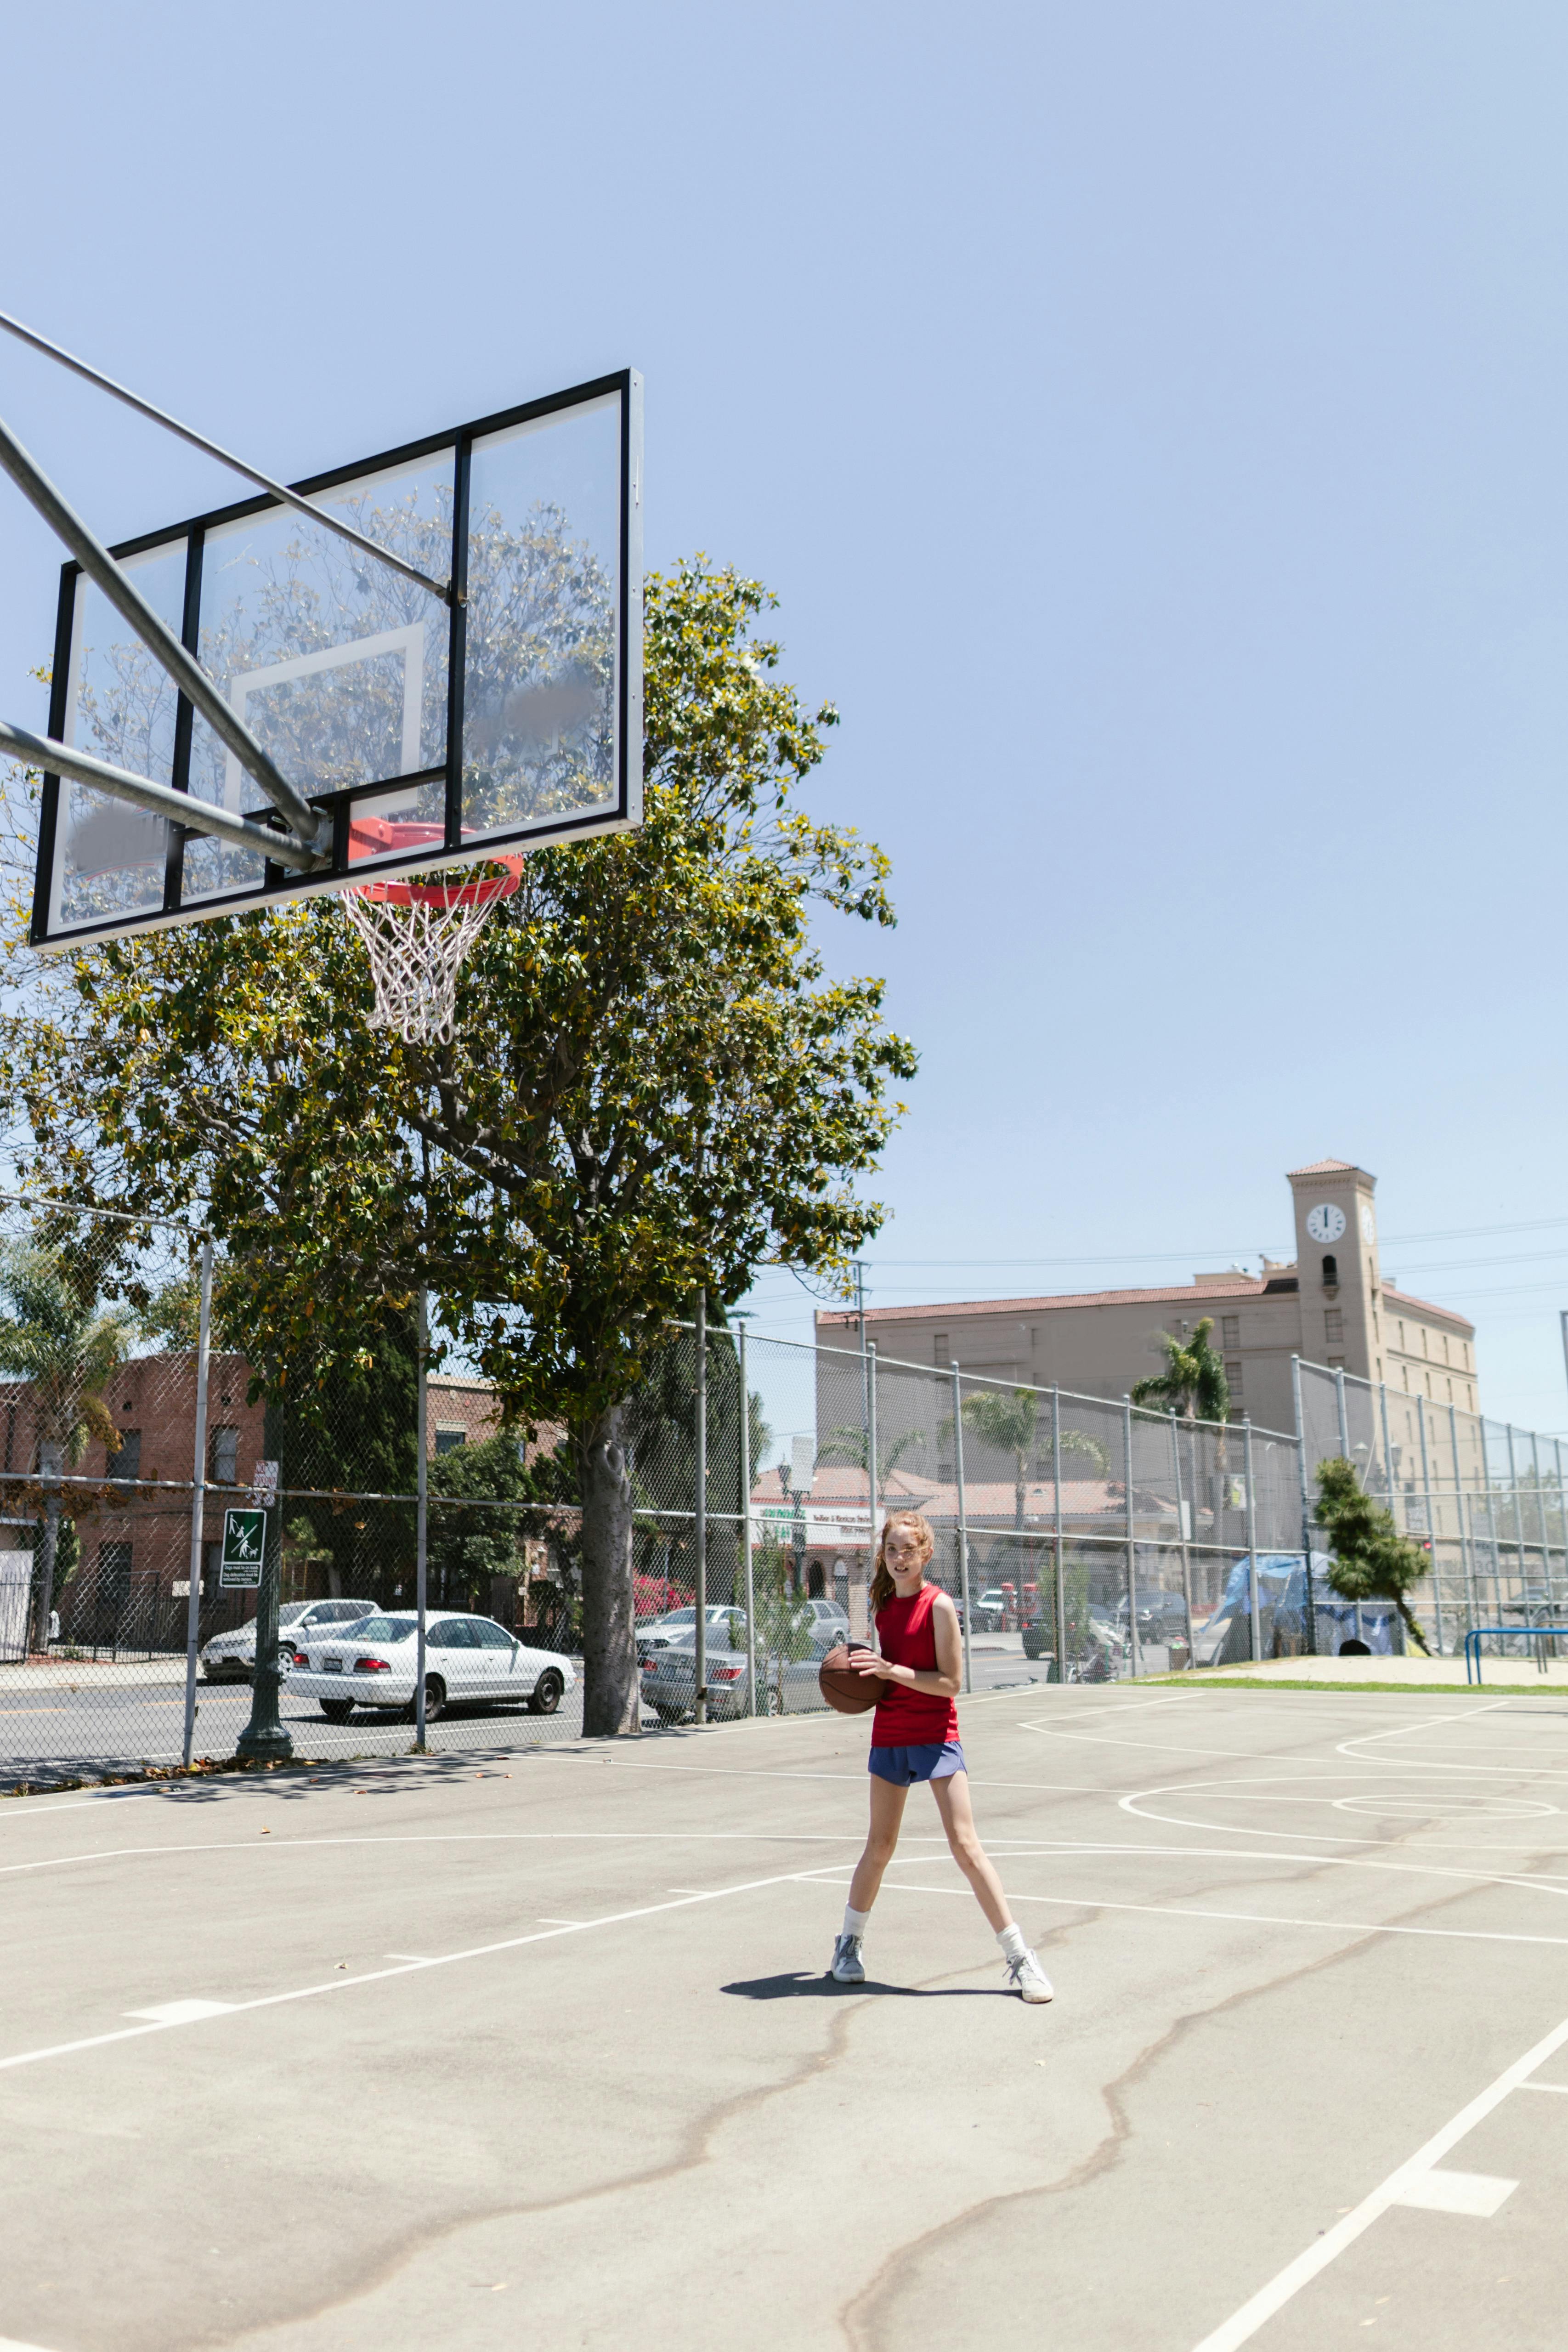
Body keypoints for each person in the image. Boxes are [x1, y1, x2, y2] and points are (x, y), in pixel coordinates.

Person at [827, 1508, 1053, 2003]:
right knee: (879, 1846)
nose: (899, 1558)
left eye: (908, 1549)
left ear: (925, 1553)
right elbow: (885, 1673)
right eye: (891, 1549)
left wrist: (891, 1670)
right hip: (889, 1732)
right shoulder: (881, 1604)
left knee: (965, 1845)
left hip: (935, 1734)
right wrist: (863, 1675)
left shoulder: (939, 1606)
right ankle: (848, 1945)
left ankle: (1020, 1957)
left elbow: (950, 1683)